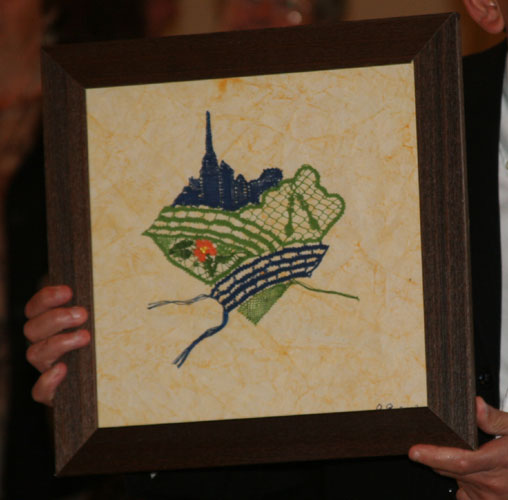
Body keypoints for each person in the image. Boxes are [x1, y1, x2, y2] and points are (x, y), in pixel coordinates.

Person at [21, 0, 508, 498]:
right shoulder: (391, 112)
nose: (256, 16)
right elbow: (287, 425)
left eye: (285, 5)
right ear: (486, 5)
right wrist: (123, 393)